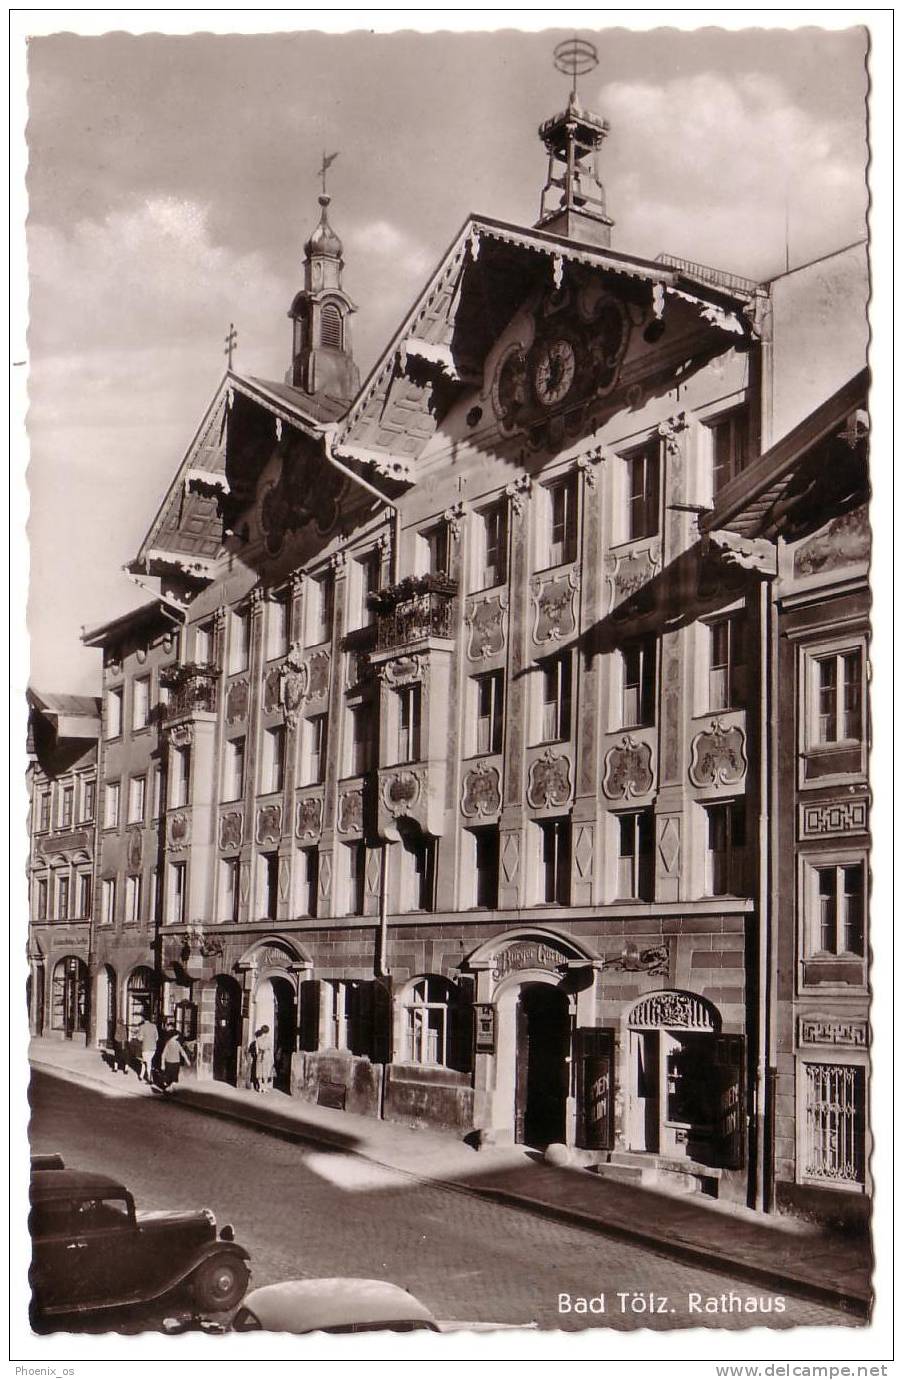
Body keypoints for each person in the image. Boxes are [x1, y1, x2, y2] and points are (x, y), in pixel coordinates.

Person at [160, 1027, 192, 1092]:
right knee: (173, 1078)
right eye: (177, 1036)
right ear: (174, 1036)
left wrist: (162, 1064)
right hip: (175, 1062)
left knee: (169, 1078)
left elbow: (163, 1054)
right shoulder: (174, 1043)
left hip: (169, 1062)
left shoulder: (170, 1043)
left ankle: (169, 1088)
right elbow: (182, 1052)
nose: (177, 1037)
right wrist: (187, 1060)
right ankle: (170, 1088)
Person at [135, 1011, 159, 1084]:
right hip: (153, 1047)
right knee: (145, 1061)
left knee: (147, 1063)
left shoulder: (142, 1027)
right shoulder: (154, 1026)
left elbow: (140, 1038)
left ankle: (149, 1078)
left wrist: (137, 1036)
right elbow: (157, 1038)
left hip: (145, 1047)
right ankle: (141, 1075)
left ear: (143, 1018)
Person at [254, 1025, 274, 1094]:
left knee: (259, 1071)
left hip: (260, 1055)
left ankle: (260, 1087)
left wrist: (259, 1054)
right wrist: (272, 1058)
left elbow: (256, 1050)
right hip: (267, 1055)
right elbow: (271, 1048)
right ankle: (265, 1088)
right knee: (266, 1071)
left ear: (262, 1031)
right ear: (268, 1031)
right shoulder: (269, 1039)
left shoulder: (258, 1039)